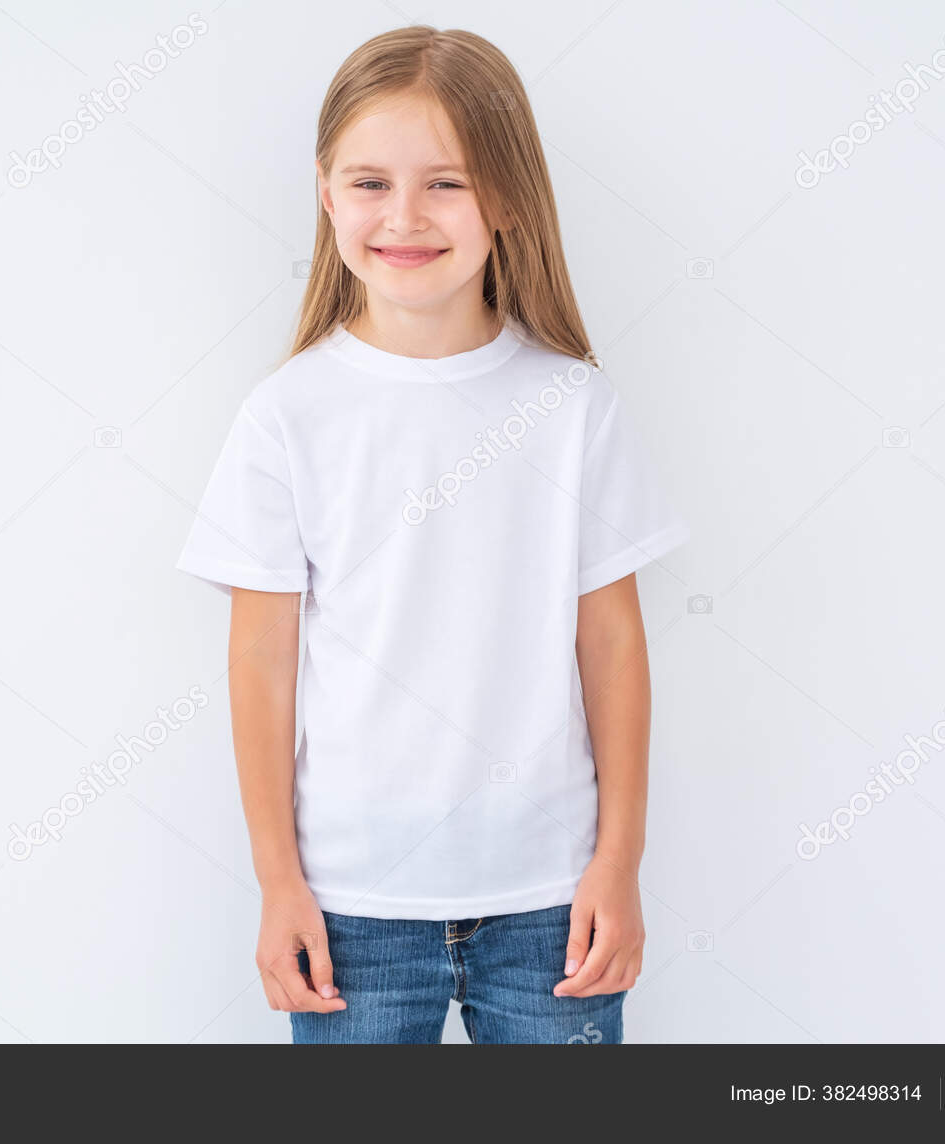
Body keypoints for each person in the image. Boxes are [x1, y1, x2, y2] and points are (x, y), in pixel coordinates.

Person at [176, 25, 686, 1044]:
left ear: (503, 198)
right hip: (353, 904)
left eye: (444, 184)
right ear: (326, 193)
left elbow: (613, 645)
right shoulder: (287, 416)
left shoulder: (573, 407)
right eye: (370, 182)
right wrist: (279, 882)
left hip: (551, 901)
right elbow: (262, 663)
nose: (403, 216)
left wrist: (617, 862)